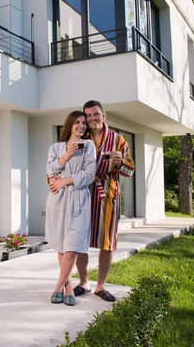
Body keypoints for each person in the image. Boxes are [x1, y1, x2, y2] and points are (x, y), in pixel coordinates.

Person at [74, 100, 135, 302]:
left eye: (95, 114)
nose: (92, 119)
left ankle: (101, 286)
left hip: (107, 195)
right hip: (82, 194)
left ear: (104, 114)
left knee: (107, 242)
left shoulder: (118, 140)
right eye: (88, 115)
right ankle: (84, 282)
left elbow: (130, 170)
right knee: (80, 240)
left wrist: (118, 162)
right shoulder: (81, 138)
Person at [46, 110, 96, 306]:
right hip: (58, 201)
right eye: (77, 122)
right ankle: (68, 288)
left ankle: (58, 286)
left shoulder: (89, 146)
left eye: (84, 123)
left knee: (72, 246)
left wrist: (65, 181)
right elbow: (50, 170)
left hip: (79, 199)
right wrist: (67, 154)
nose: (81, 126)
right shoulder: (56, 147)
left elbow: (89, 174)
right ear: (69, 125)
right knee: (61, 244)